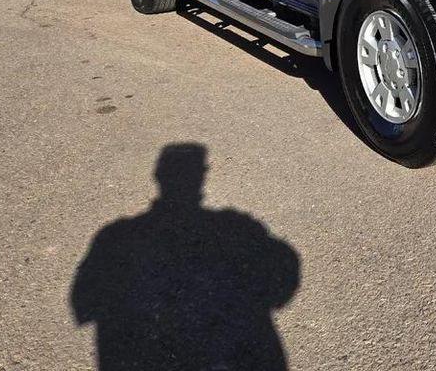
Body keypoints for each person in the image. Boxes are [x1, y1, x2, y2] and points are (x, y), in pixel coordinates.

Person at [70, 143, 300, 371]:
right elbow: (284, 269)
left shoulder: (115, 237)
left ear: (158, 176)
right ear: (202, 176)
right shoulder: (236, 226)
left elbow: (84, 303)